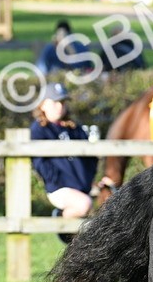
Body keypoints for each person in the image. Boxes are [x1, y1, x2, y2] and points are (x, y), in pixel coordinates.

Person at [30, 83, 101, 243]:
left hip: (82, 186)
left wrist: (89, 178)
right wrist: (55, 179)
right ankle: (60, 219)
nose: (60, 106)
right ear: (43, 105)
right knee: (84, 204)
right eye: (55, 102)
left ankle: (76, 242)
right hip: (59, 187)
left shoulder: (74, 127)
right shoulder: (39, 130)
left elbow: (89, 156)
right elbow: (39, 162)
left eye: (62, 102)